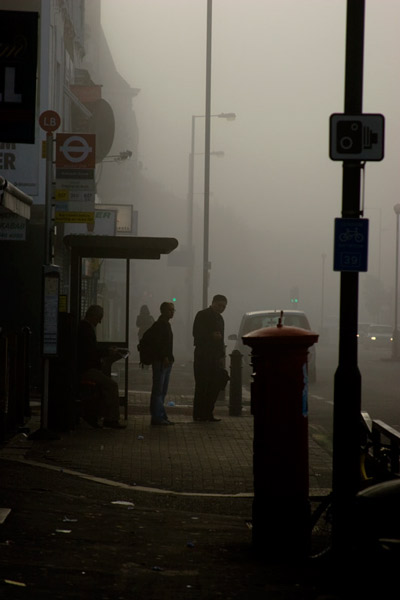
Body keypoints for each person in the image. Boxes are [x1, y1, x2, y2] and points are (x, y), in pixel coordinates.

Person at [77, 305, 126, 429]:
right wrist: (107, 352)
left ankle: (102, 415)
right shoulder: (86, 329)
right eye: (99, 318)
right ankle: (111, 418)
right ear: (93, 316)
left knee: (105, 383)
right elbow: (90, 351)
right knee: (111, 385)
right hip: (86, 369)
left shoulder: (84, 328)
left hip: (85, 367)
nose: (100, 321)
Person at [192, 294, 228, 422]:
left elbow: (221, 339)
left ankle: (208, 412)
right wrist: (211, 336)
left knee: (214, 384)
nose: (221, 308)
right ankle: (199, 414)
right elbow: (196, 333)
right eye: (219, 305)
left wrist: (221, 356)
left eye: (224, 306)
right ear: (213, 303)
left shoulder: (220, 319)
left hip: (214, 357)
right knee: (202, 385)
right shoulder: (202, 315)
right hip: (203, 355)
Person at [149, 302, 175, 426]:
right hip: (161, 361)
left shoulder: (165, 324)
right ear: (163, 311)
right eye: (170, 310)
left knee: (162, 390)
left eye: (173, 310)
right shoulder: (160, 325)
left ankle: (160, 414)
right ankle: (157, 416)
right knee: (158, 390)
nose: (172, 312)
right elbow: (159, 344)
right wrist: (164, 356)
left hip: (166, 361)